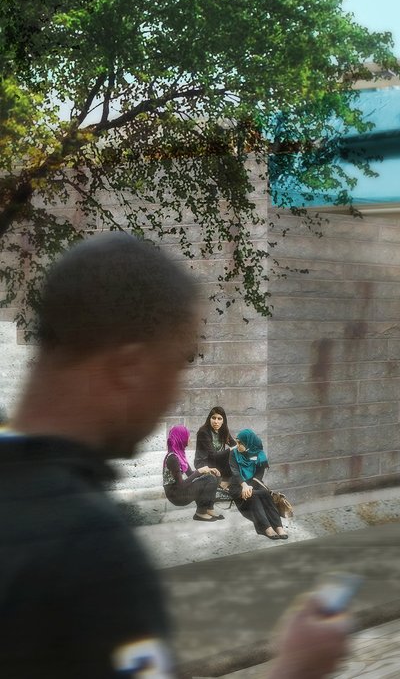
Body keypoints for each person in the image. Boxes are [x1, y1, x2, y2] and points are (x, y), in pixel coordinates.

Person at [0, 232, 347, 678]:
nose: (174, 393)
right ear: (129, 368)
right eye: (180, 362)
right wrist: (294, 668)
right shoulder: (88, 546)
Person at [231, 427, 288, 539]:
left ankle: (278, 527)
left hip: (254, 483)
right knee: (253, 496)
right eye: (236, 442)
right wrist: (244, 485)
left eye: (240, 443)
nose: (237, 446)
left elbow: (259, 474)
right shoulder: (234, 454)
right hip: (238, 485)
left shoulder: (259, 453)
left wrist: (250, 486)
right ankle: (267, 528)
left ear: (248, 443)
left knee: (266, 493)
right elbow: (235, 472)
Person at [163, 424, 223, 521]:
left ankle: (209, 509)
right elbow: (181, 485)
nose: (189, 439)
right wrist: (199, 471)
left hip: (179, 491)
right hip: (176, 496)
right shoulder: (173, 458)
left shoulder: (179, 454)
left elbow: (190, 474)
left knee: (213, 476)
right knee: (210, 479)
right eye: (187, 436)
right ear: (181, 438)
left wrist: (208, 470)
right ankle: (200, 512)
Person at [193, 405, 236, 493]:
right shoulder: (204, 432)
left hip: (217, 461)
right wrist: (231, 449)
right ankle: (223, 484)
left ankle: (225, 483)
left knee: (237, 456)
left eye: (219, 418)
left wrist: (240, 446)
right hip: (204, 462)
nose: (216, 421)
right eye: (214, 418)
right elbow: (213, 455)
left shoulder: (223, 430)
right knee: (231, 453)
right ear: (209, 419)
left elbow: (234, 444)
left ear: (223, 420)